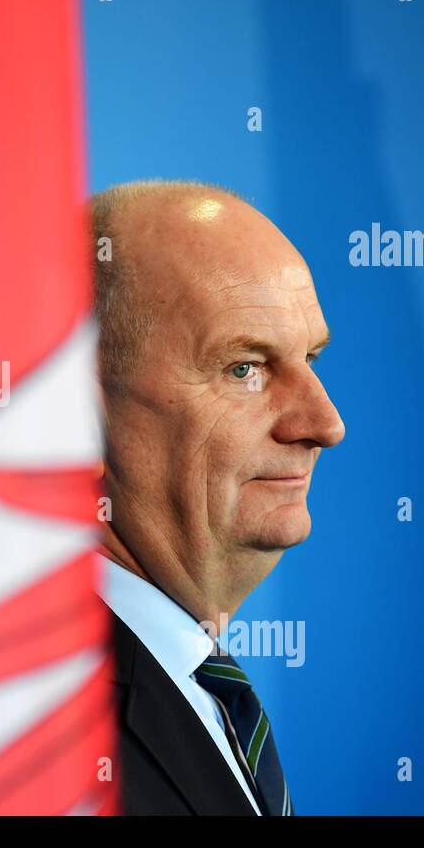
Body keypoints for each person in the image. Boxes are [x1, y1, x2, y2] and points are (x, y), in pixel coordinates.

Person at [91, 180, 345, 814]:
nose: (324, 424)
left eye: (311, 357)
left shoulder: (196, 684)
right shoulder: (27, 729)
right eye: (245, 368)